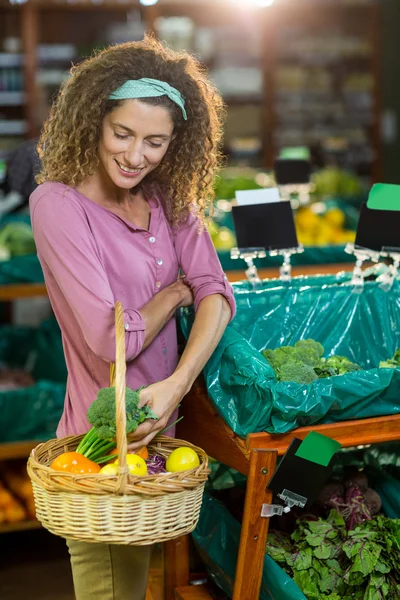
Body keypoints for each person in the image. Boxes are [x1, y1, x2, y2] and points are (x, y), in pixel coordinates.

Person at [30, 36, 236, 600]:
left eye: (155, 142)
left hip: (158, 436)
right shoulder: (58, 205)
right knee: (104, 590)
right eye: (122, 134)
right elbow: (105, 336)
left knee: (135, 589)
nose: (135, 155)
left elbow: (216, 292)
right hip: (95, 443)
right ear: (95, 120)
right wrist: (172, 297)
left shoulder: (169, 197)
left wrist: (175, 386)